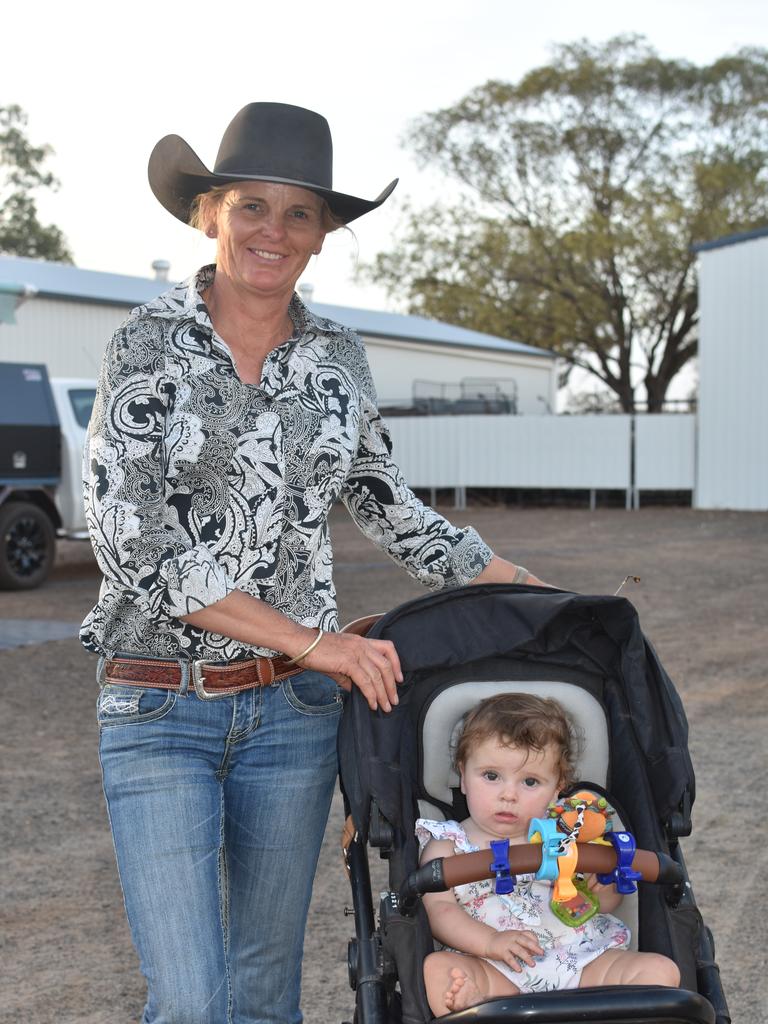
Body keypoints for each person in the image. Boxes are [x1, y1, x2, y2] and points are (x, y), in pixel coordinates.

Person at [81, 102, 546, 1024]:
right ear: (210, 214)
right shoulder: (143, 343)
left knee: (264, 990)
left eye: (300, 214)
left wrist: (522, 586)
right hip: (157, 701)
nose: (274, 230)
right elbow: (130, 537)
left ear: (324, 236)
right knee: (190, 997)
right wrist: (316, 642)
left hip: (292, 719)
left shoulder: (339, 359)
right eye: (253, 206)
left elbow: (384, 500)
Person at [417, 693, 680, 1016]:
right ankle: (478, 1006)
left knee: (661, 970)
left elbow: (598, 905)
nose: (508, 794)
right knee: (438, 968)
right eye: (491, 776)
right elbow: (440, 912)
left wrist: (604, 889)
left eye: (530, 781)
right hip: (496, 970)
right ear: (463, 776)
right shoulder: (447, 844)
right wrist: (490, 943)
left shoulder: (568, 837)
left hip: (582, 963)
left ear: (557, 788)